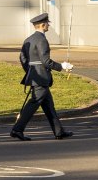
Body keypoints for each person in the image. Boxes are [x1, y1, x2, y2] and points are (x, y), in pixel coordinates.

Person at [11, 12, 75, 141]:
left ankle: (59, 132)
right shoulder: (42, 40)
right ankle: (17, 129)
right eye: (47, 24)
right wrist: (62, 66)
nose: (49, 26)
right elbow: (46, 61)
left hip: (35, 76)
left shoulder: (28, 39)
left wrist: (30, 71)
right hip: (41, 77)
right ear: (43, 25)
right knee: (33, 104)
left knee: (49, 106)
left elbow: (22, 58)